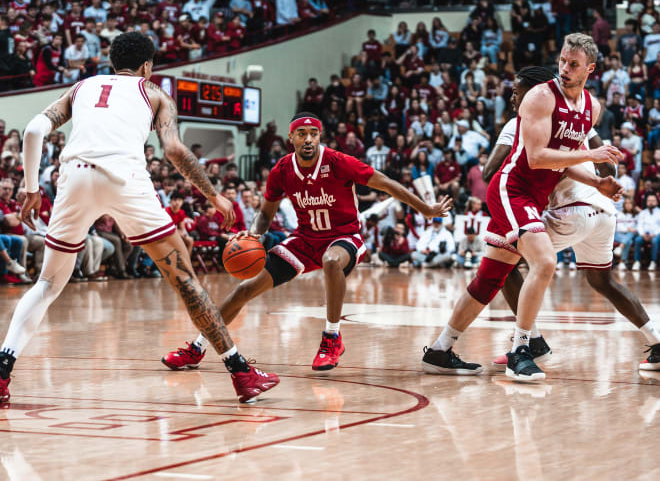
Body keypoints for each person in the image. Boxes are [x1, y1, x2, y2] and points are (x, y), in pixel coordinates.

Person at [0, 32, 278, 404]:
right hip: (125, 180)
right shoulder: (155, 93)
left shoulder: (83, 86)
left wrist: (32, 186)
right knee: (185, 282)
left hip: (74, 177)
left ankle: (3, 371)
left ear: (113, 62)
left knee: (48, 285)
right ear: (148, 66)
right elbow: (175, 150)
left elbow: (34, 129)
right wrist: (213, 195)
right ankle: (241, 373)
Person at [162, 112, 453, 371]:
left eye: (313, 133)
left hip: (344, 236)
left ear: (320, 136)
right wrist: (252, 234)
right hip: (303, 240)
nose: (308, 138)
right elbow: (265, 214)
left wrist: (425, 208)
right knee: (243, 290)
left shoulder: (339, 162)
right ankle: (198, 347)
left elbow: (387, 183)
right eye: (302, 134)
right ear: (291, 139)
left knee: (330, 261)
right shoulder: (282, 170)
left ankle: (332, 338)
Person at [422, 34, 623, 382]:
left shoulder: (591, 107)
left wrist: (596, 183)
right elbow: (537, 157)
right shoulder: (541, 96)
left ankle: (440, 350)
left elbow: (560, 163)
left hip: (533, 196)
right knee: (545, 261)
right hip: (512, 189)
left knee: (489, 279)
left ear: (590, 69)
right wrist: (591, 155)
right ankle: (521, 351)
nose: (564, 68)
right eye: (562, 60)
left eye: (573, 64)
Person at [485, 65, 660, 371]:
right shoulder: (579, 120)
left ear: (536, 92)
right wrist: (599, 177)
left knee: (505, 265)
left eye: (517, 92)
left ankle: (529, 343)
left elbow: (490, 172)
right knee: (603, 281)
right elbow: (605, 166)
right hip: (603, 212)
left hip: (572, 209)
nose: (513, 98)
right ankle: (657, 343)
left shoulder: (524, 120)